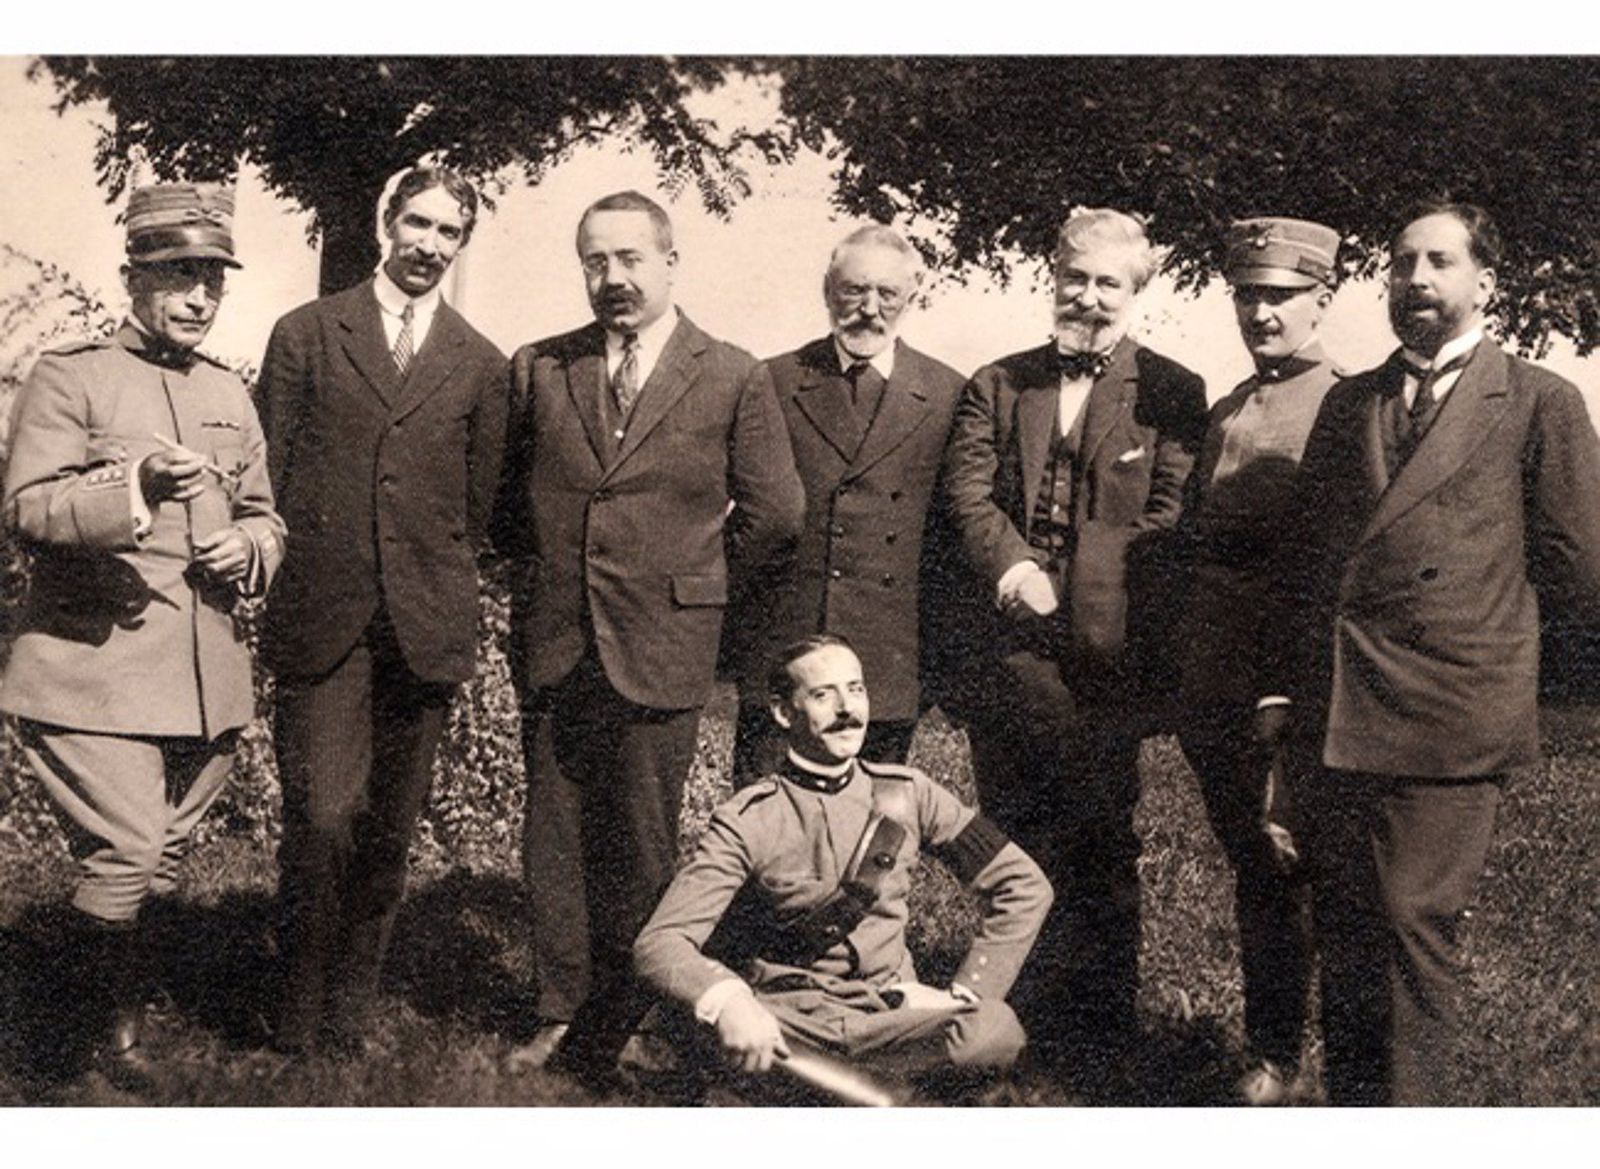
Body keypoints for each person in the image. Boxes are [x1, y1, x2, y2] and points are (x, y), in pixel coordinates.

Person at [1269, 200, 1600, 1105]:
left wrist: (1508, 672)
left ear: (1484, 282)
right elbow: (1309, 560)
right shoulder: (1350, 401)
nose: (1417, 280)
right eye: (1403, 262)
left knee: (1414, 925)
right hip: (1346, 707)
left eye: (1440, 262)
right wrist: (1291, 701)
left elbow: (1580, 573)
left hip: (1452, 716)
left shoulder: (1539, 402)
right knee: (1346, 929)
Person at [493, 190, 804, 1083]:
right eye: (595, 261)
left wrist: (700, 592)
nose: (613, 278)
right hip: (558, 640)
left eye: (631, 258)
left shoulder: (733, 372)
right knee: (553, 834)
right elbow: (511, 505)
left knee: (643, 840)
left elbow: (777, 512)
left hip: (664, 644)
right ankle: (560, 1012)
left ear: (671, 262)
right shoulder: (540, 366)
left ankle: (630, 1017)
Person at [0, 183, 284, 1066]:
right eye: (178, 275)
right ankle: (68, 1050)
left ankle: (118, 1027)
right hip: (96, 671)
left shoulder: (230, 394)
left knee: (158, 861)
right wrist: (134, 490)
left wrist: (250, 545)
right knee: (126, 850)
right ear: (133, 278)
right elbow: (28, 507)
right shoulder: (71, 374)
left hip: (207, 681)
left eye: (212, 279)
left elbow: (268, 512)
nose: (199, 296)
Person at [941, 208, 1208, 1069]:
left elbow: (1170, 514)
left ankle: (1096, 1033)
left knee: (1099, 838)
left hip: (1106, 657)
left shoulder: (1173, 391)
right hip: (1010, 649)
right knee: (1012, 840)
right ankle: (1006, 1029)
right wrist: (1018, 571)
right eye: (1075, 279)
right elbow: (969, 498)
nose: (1088, 299)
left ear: (1138, 291)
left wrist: (1085, 588)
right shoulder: (997, 381)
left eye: (1108, 283)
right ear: (1051, 277)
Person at [257, 165, 508, 1054]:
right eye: (417, 223)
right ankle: (295, 1006)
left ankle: (351, 1008)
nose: (429, 245)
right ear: (381, 223)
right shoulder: (307, 334)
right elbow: (270, 481)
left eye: (448, 232)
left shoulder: (481, 363)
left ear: (462, 244)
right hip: (324, 618)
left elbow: (474, 508)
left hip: (424, 627)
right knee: (322, 818)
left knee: (389, 833)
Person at [634, 634, 1051, 1097]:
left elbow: (1024, 884)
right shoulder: (749, 818)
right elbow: (662, 941)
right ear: (783, 713)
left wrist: (964, 994)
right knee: (715, 1026)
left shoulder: (908, 794)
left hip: (891, 1013)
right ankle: (891, 1091)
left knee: (994, 1029)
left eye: (856, 689)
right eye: (822, 694)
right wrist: (732, 1003)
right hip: (788, 1015)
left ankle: (817, 1088)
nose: (847, 709)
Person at [1171, 216, 1345, 1104]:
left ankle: (1289, 1056)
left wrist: (1289, 683)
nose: (1262, 313)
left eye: (1281, 296)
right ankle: (1270, 1044)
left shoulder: (1346, 405)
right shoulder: (1227, 409)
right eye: (1248, 295)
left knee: (1293, 861)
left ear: (1324, 298)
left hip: (1290, 677)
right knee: (1253, 860)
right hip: (1212, 675)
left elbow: (1325, 564)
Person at [727, 225, 968, 782]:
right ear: (827, 290)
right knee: (768, 820)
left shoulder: (949, 393)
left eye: (887, 294)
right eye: (853, 291)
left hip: (887, 654)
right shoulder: (775, 380)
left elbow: (950, 537)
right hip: (787, 650)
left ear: (914, 295)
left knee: (874, 832)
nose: (869, 309)